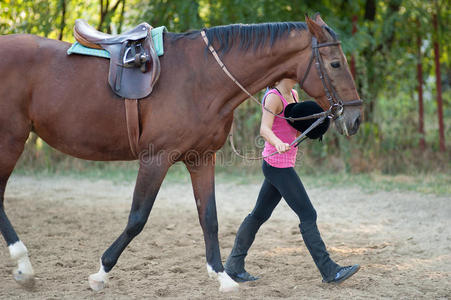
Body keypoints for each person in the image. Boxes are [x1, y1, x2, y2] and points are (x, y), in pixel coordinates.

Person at [224, 78, 360, 283]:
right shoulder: (273, 97)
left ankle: (234, 266)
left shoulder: (293, 95)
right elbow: (264, 129)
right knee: (308, 214)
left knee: (259, 215)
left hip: (283, 163)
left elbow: (296, 127)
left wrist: (319, 121)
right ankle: (330, 271)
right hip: (277, 165)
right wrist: (278, 143)